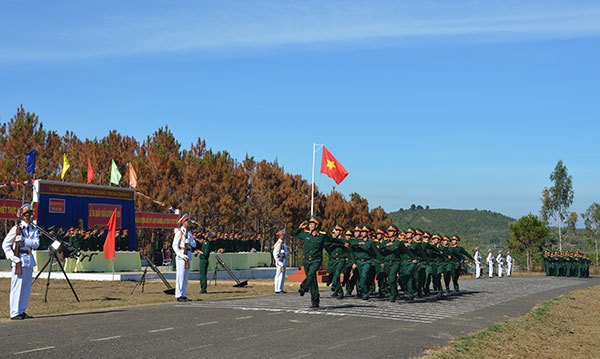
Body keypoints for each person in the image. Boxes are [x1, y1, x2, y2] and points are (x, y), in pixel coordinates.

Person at [2, 204, 40, 320]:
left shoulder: (34, 229)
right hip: (18, 259)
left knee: (26, 288)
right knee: (16, 287)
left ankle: (22, 310)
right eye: (27, 215)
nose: (29, 217)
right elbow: (5, 245)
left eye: (30, 215)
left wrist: (25, 241)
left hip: (28, 259)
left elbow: (36, 244)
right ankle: (14, 312)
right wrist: (11, 257)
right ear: (22, 217)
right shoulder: (16, 229)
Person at [172, 213, 196, 302]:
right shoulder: (179, 232)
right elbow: (174, 245)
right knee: (180, 276)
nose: (188, 223)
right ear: (183, 222)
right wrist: (180, 254)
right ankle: (179, 295)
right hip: (181, 255)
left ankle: (184, 294)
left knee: (186, 277)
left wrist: (189, 241)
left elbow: (194, 244)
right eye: (187, 221)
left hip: (188, 255)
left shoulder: (189, 233)